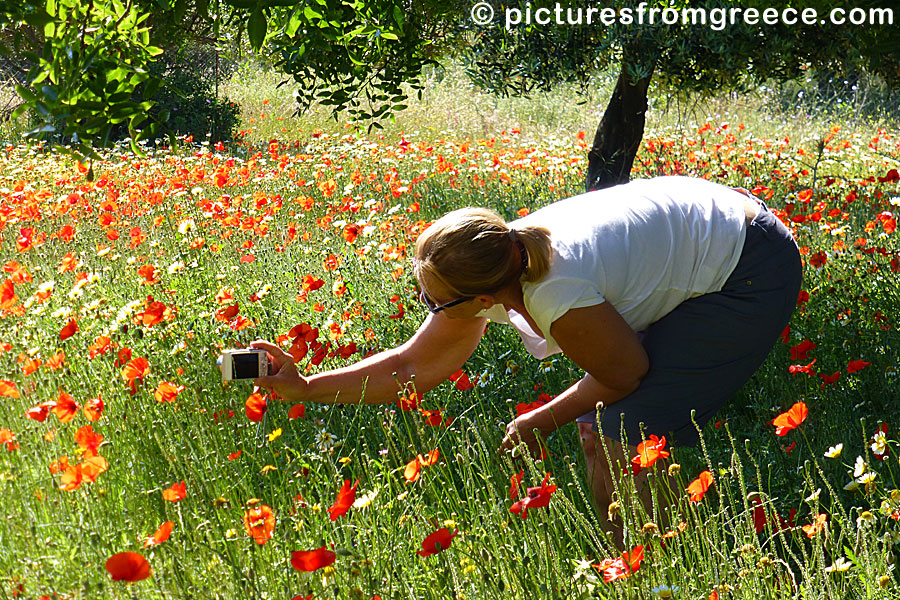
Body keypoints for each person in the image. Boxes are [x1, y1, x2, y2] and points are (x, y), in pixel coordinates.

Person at [251, 175, 802, 536]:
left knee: (619, 431)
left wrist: (543, 419)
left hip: (747, 267)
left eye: (435, 302)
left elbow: (623, 371)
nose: (431, 310)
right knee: (604, 424)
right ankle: (646, 558)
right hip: (709, 226)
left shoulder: (555, 287)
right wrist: (303, 386)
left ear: (484, 300)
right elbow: (413, 366)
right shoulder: (502, 255)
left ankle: (645, 571)